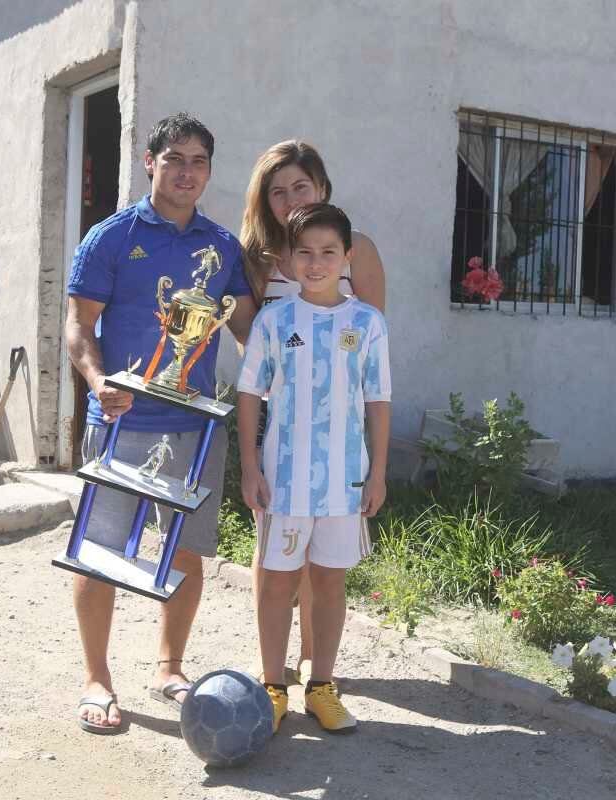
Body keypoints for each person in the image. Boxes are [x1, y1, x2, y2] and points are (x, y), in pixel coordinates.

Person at [64, 112, 257, 734]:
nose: (186, 171)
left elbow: (252, 330)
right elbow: (78, 326)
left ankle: (169, 667)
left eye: (199, 161)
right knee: (101, 555)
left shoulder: (223, 247)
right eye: (175, 158)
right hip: (122, 423)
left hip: (194, 430)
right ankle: (97, 676)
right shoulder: (111, 237)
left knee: (188, 555)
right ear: (150, 162)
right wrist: (99, 383)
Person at [236, 203, 391, 733]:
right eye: (305, 252)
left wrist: (378, 474)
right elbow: (250, 394)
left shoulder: (368, 323)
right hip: (284, 482)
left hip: (345, 485)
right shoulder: (274, 320)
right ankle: (272, 687)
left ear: (347, 257)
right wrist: (250, 467)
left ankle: (321, 686)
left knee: (329, 582)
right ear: (288, 259)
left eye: (329, 252)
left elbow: (378, 400)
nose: (317, 262)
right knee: (278, 583)